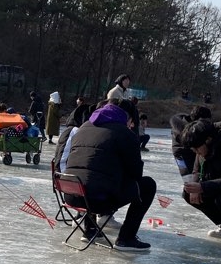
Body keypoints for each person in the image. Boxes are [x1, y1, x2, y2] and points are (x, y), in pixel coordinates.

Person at [64, 100, 157, 252]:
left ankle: (90, 229)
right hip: (98, 201)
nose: (132, 125)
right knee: (148, 185)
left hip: (71, 195)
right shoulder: (125, 133)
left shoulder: (84, 127)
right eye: (132, 122)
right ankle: (126, 238)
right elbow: (136, 174)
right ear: (128, 118)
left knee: (90, 178)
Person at [170, 104, 212, 177]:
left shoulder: (194, 126)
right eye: (205, 122)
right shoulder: (184, 129)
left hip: (192, 152)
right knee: (188, 175)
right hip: (181, 154)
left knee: (198, 174)